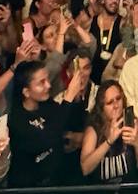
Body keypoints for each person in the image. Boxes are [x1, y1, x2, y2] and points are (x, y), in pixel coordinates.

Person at [7, 57, 91, 187]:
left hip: (57, 179)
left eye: (47, 79)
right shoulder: (17, 119)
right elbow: (47, 139)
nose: (49, 85)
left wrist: (76, 97)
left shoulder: (46, 104)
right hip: (32, 186)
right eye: (41, 82)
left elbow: (65, 120)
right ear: (26, 92)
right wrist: (68, 96)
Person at [79, 79, 138, 181]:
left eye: (118, 99)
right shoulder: (93, 130)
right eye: (109, 102)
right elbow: (85, 168)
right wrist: (109, 141)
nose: (116, 106)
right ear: (102, 108)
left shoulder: (135, 124)